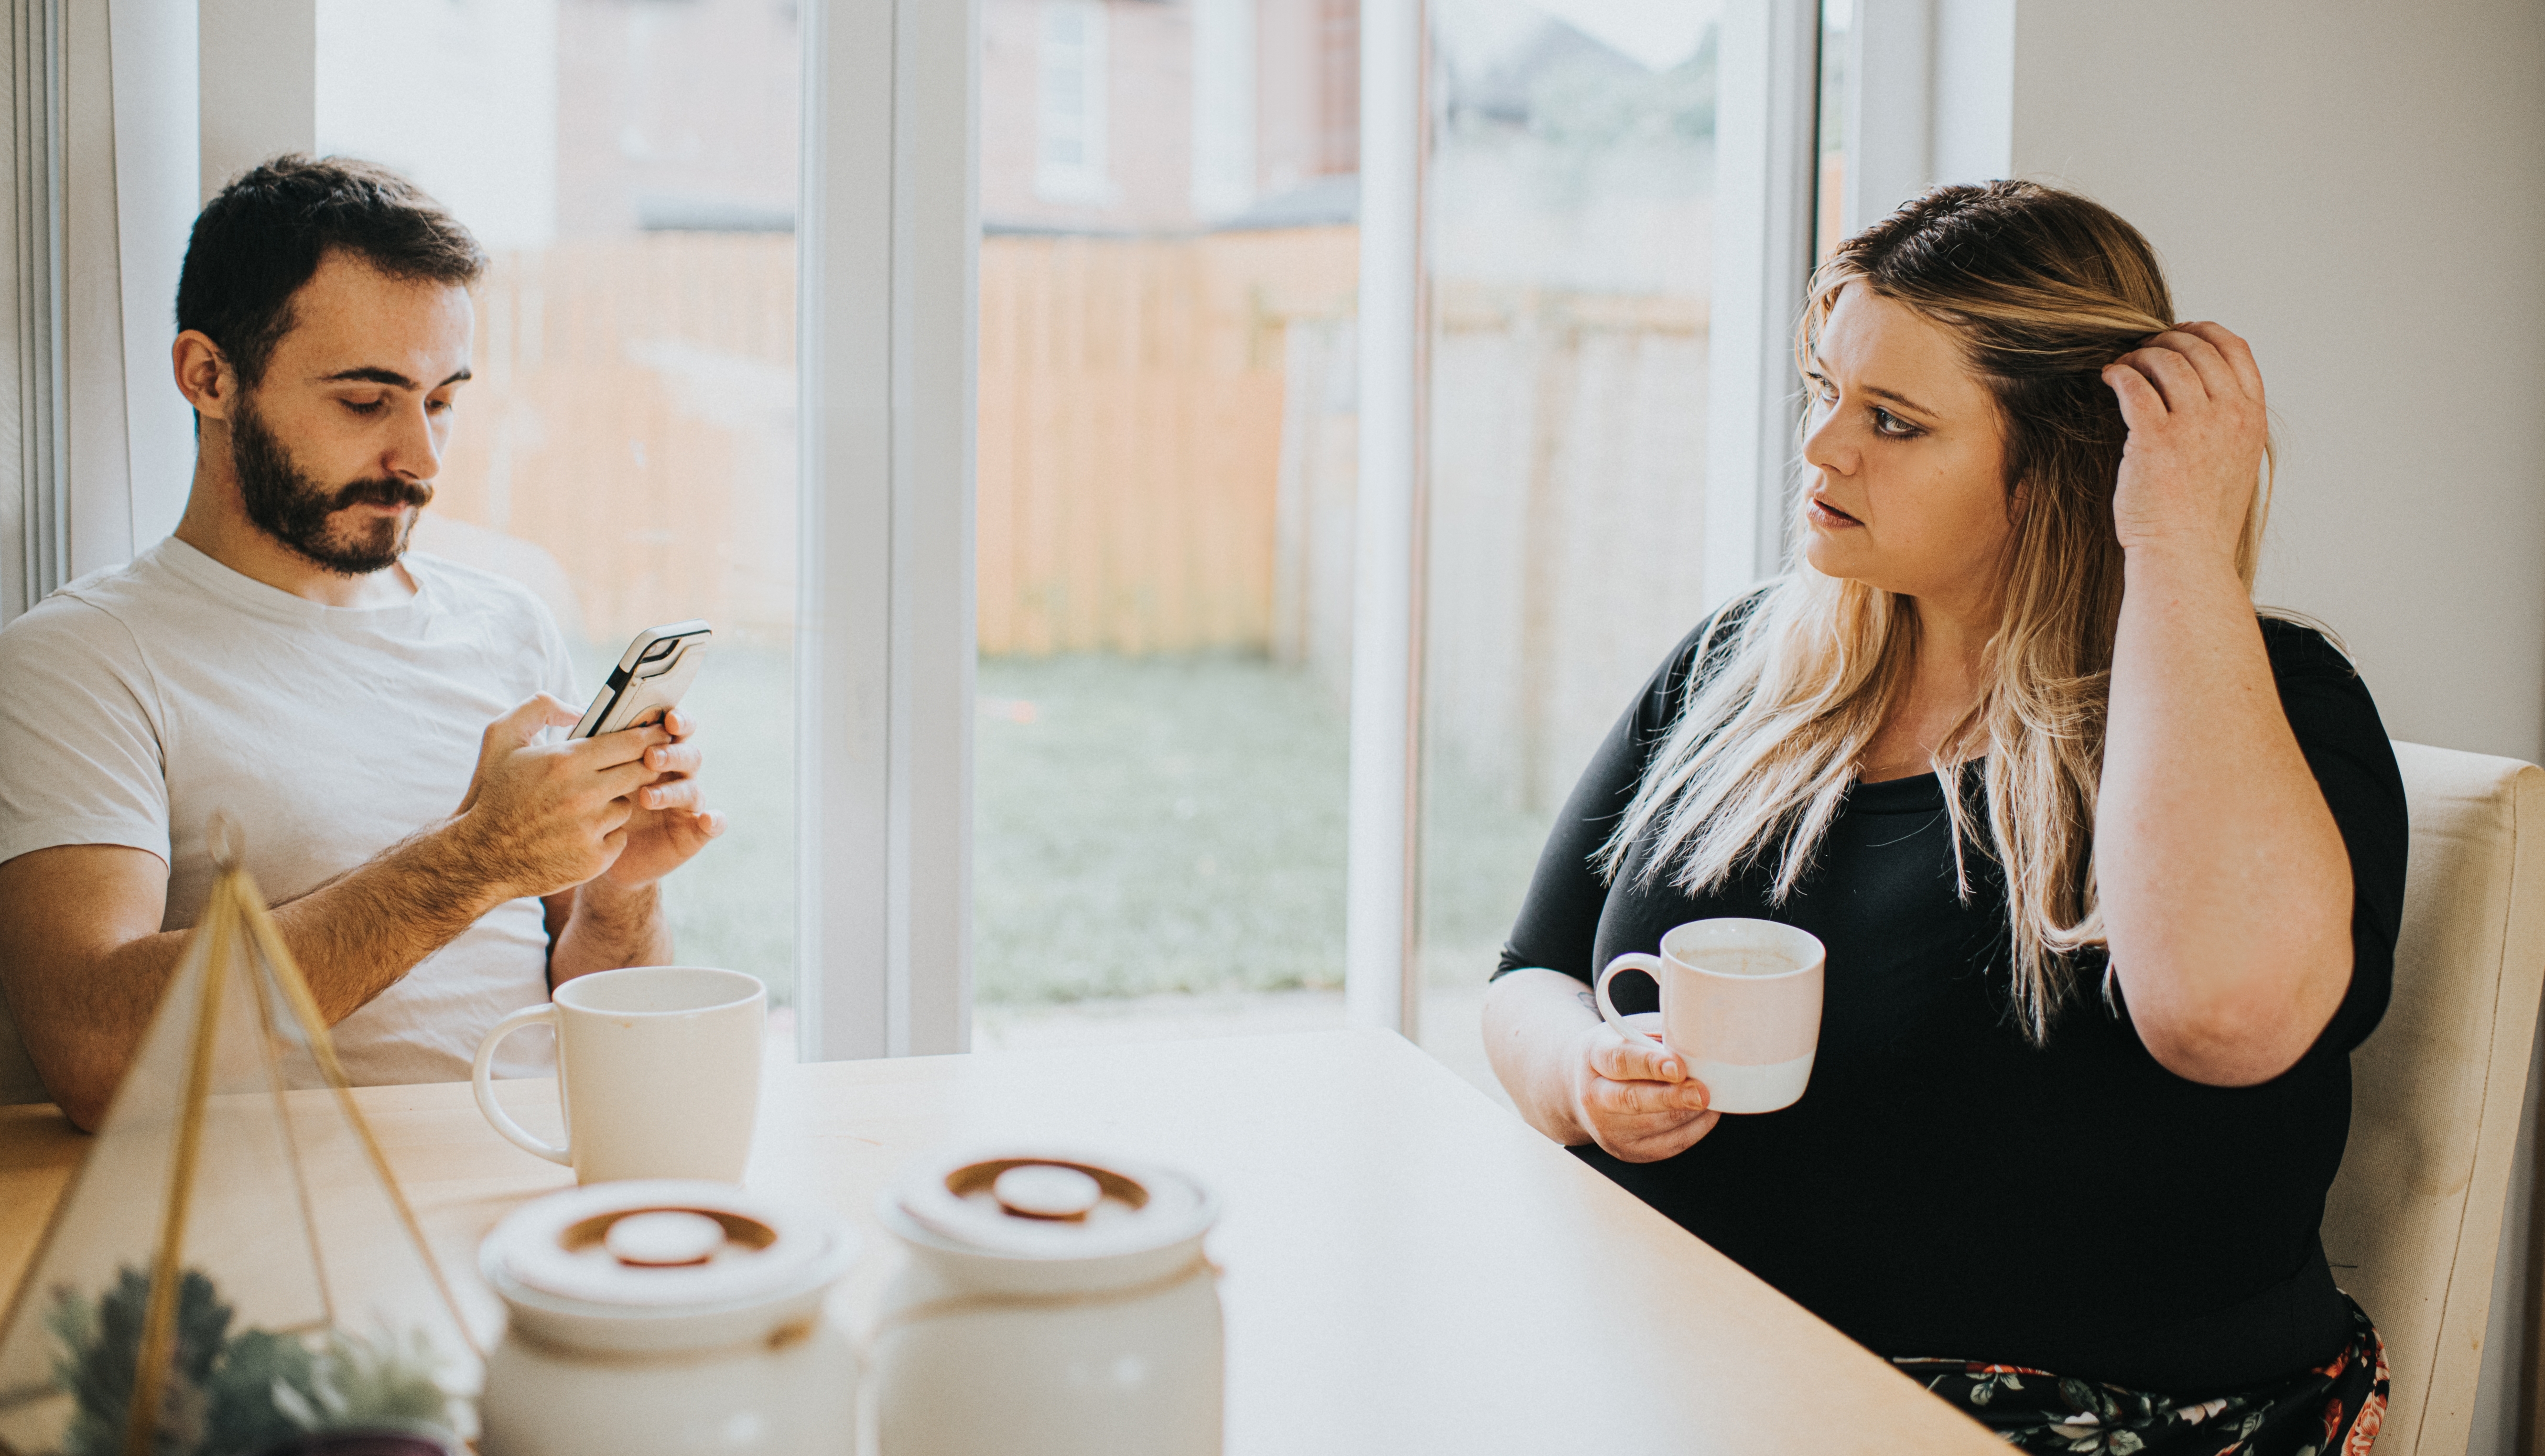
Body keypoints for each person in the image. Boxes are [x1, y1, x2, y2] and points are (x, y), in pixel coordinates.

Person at [1483, 182, 2400, 1452]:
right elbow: (1528, 975)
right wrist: (1583, 1079)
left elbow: (2223, 1022)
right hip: (1691, 1363)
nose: (1820, 449)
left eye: (1893, 422)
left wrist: (2175, 543)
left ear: (2063, 460)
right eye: (1824, 390)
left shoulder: (2269, 703)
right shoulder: (1734, 664)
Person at [0, 156, 724, 1132]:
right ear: (208, 377)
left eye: (441, 401)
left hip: (541, 1181)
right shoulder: (83, 661)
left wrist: (618, 895)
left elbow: (598, 1022)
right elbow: (94, 1056)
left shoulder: (507, 624)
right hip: (295, 1236)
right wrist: (476, 859)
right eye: (364, 402)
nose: (421, 461)